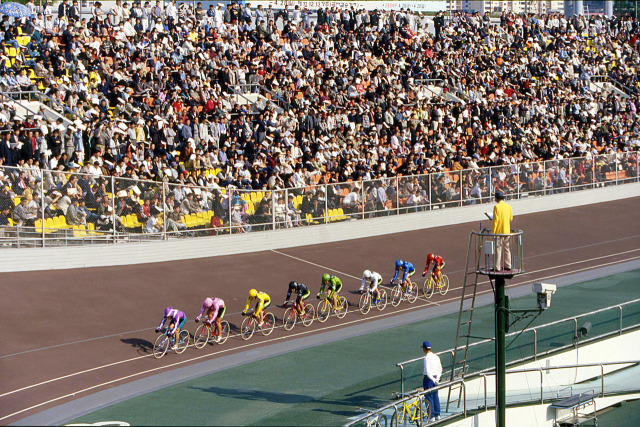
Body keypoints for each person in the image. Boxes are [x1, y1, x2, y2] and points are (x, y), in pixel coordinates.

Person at [492, 191, 513, 271]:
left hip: (499, 231)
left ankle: (497, 266)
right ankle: (508, 265)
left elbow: (495, 221)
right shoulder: (508, 206)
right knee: (507, 248)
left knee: (498, 249)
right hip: (506, 230)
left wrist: (493, 232)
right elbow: (511, 218)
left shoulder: (496, 207)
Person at [422, 341, 442, 422]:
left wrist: (432, 379)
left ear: (424, 349)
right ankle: (437, 414)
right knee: (435, 396)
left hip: (428, 379)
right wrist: (437, 378)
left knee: (429, 397)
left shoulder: (426, 358)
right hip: (436, 377)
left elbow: (427, 370)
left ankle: (431, 416)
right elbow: (440, 369)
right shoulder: (436, 356)